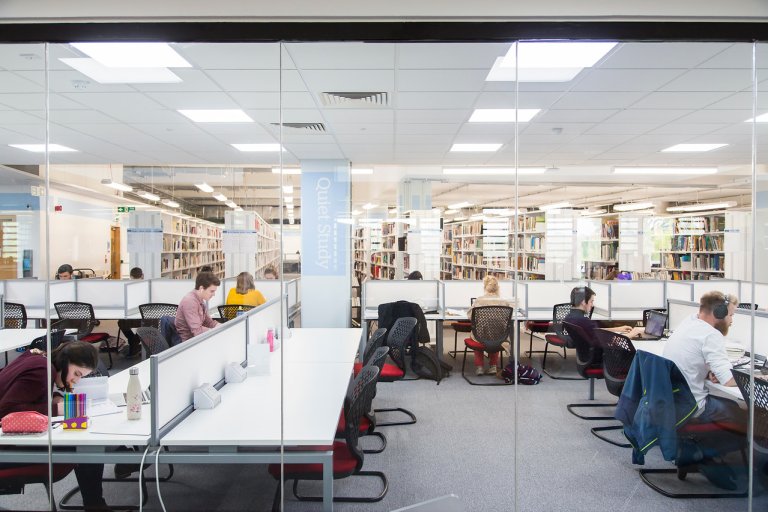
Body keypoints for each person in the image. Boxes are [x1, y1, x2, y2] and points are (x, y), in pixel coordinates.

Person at [0, 341, 112, 511]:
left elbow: (24, 391)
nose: (76, 380)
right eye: (76, 373)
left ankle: (95, 505)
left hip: (7, 441)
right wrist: (56, 409)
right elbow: (7, 410)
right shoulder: (43, 370)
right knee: (85, 444)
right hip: (5, 450)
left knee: (82, 440)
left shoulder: (39, 358)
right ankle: (95, 506)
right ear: (64, 362)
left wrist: (53, 396)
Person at [466, 275, 514, 376]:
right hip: (498, 336)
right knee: (495, 335)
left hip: (481, 335)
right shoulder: (504, 302)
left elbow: (470, 316)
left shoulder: (479, 301)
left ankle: (479, 367)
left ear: (485, 287)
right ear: (497, 288)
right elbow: (508, 317)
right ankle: (493, 366)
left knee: (479, 336)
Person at [565, 286, 643, 338]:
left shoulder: (570, 316)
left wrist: (618, 329)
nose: (592, 305)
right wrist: (631, 334)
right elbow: (607, 339)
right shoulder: (583, 320)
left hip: (587, 351)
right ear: (583, 302)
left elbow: (597, 330)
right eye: (591, 301)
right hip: (600, 353)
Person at [175, 272, 221, 342]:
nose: (214, 294)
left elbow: (208, 322)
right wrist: (215, 332)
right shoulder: (190, 301)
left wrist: (221, 326)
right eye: (211, 291)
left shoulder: (200, 300)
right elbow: (197, 331)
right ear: (201, 288)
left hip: (195, 339)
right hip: (186, 343)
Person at [118, 267, 144, 358]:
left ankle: (134, 343)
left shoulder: (126, 287)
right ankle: (135, 343)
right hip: (143, 317)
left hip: (131, 318)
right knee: (125, 322)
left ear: (130, 276)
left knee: (122, 322)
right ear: (142, 276)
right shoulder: (146, 286)